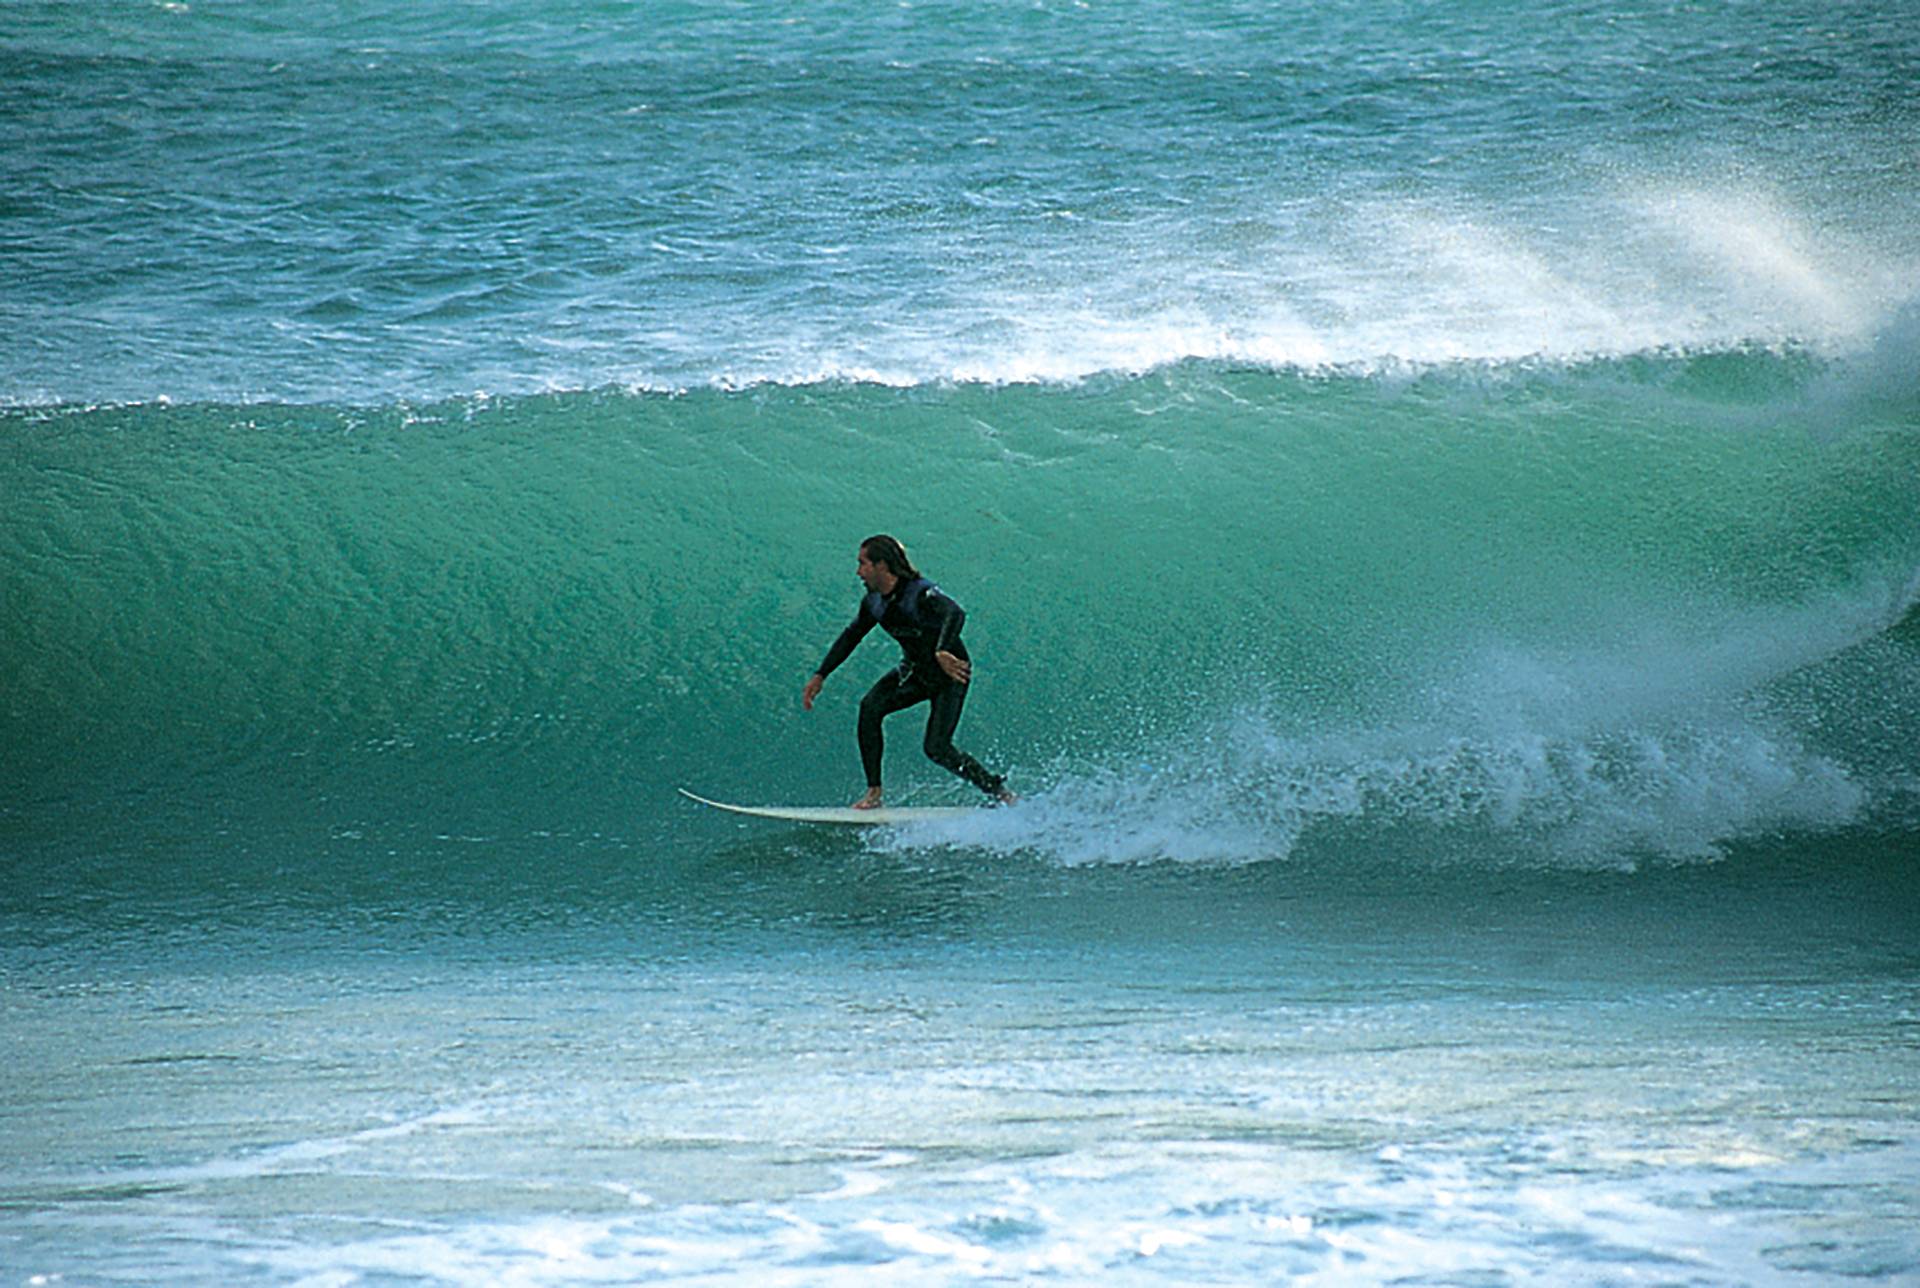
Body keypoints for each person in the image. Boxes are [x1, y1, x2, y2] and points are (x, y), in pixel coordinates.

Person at [802, 535, 1015, 809]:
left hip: (950, 673)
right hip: (914, 671)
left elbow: (955, 613)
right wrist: (821, 675)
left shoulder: (920, 593)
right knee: (870, 707)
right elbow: (851, 635)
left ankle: (1000, 793)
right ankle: (874, 793)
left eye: (863, 564)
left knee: (937, 748)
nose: (858, 572)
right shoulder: (874, 602)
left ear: (882, 565)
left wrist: (942, 651)